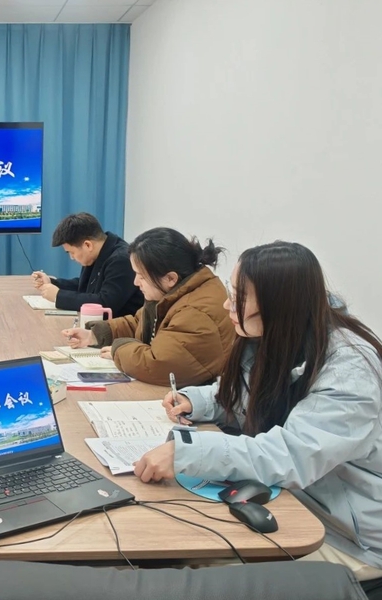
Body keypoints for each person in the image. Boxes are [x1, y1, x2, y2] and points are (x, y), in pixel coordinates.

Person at [134, 241, 382, 590]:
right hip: (292, 497)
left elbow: (290, 455)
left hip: (346, 536)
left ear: (278, 303)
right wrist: (196, 400)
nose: (227, 304)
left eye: (238, 297)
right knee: (173, 530)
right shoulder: (279, 333)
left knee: (194, 561)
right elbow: (248, 398)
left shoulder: (350, 372)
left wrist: (187, 452)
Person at [63, 227, 234, 387]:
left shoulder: (196, 312)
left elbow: (160, 365)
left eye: (141, 276)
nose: (136, 282)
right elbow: (140, 322)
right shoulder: (173, 291)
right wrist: (96, 335)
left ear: (170, 278)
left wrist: (119, 350)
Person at [32, 212, 143, 316]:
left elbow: (105, 303)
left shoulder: (121, 259)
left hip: (121, 327)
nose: (71, 258)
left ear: (88, 245)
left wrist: (58, 296)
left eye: (72, 252)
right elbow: (84, 286)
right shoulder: (99, 252)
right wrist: (52, 282)